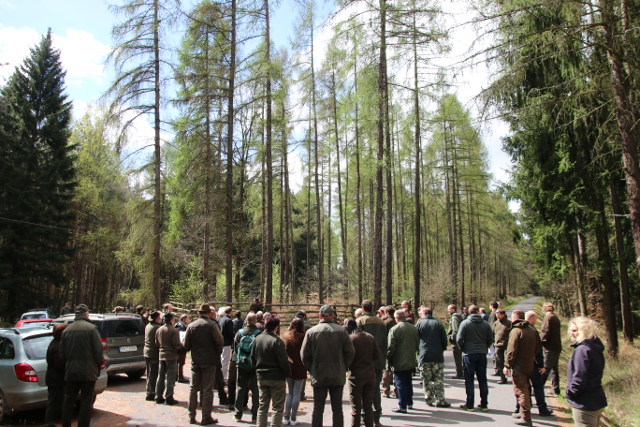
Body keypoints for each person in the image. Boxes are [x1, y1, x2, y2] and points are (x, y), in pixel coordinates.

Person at [301, 304, 355, 427]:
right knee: (337, 409)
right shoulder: (342, 331)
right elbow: (350, 352)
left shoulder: (311, 332)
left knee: (318, 408)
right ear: (332, 316)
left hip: (319, 374)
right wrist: (343, 367)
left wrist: (312, 369)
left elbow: (304, 355)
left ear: (319, 316)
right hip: (337, 374)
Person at [59, 304, 103, 427]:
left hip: (71, 371)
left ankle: (65, 424)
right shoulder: (92, 329)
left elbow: (62, 354)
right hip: (88, 372)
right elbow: (98, 352)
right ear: (86, 314)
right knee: (86, 402)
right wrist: (99, 364)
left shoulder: (66, 331)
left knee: (68, 401)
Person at [184, 303, 224, 425]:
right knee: (207, 389)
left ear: (198, 313)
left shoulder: (191, 326)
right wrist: (215, 352)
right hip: (209, 361)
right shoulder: (212, 325)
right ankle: (206, 417)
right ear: (209, 314)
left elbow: (186, 346)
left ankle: (191, 416)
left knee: (193, 388)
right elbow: (220, 341)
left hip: (196, 361)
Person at [566, 317, 607, 427]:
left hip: (584, 402)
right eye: (571, 330)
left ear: (584, 331)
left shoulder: (582, 350)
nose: (572, 333)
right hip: (596, 399)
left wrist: (570, 393)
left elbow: (580, 377)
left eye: (575, 330)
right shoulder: (594, 348)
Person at [512, 311, 553, 418]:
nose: (536, 321)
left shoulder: (519, 330)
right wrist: (541, 365)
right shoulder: (533, 331)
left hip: (521, 364)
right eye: (535, 319)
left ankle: (520, 408)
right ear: (531, 319)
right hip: (533, 363)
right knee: (537, 387)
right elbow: (538, 350)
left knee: (523, 388)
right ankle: (542, 408)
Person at [252, 315, 291, 427]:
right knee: (277, 407)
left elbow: (252, 358)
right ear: (276, 327)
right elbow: (283, 361)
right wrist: (286, 373)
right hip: (276, 377)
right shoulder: (277, 341)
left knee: (262, 406)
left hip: (261, 376)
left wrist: (257, 370)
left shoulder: (257, 339)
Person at [504, 309, 538, 426]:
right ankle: (522, 412)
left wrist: (507, 365)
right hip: (529, 364)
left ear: (515, 318)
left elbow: (511, 351)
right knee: (526, 388)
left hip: (519, 366)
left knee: (521, 391)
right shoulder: (532, 330)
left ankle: (526, 417)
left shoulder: (516, 331)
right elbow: (537, 349)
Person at [356, 300, 387, 427]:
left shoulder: (359, 321)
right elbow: (385, 342)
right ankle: (376, 416)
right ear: (372, 308)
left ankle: (364, 416)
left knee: (362, 390)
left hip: (362, 362)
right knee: (375, 390)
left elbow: (356, 342)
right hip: (378, 361)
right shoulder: (381, 322)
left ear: (363, 309)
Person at [457, 304, 493, 412]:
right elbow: (490, 339)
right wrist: (484, 347)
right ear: (478, 312)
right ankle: (484, 404)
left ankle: (470, 404)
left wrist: (463, 348)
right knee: (482, 380)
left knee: (469, 380)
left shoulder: (465, 323)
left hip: (469, 353)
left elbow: (459, 338)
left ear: (468, 311)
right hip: (481, 353)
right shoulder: (486, 324)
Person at [345, 318, 379, 427]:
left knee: (356, 408)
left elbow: (347, 357)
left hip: (356, 375)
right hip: (370, 374)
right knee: (368, 406)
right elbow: (376, 355)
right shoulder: (370, 337)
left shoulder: (351, 339)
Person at [415, 306, 450, 408]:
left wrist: (418, 350)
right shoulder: (438, 323)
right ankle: (440, 399)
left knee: (426, 379)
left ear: (424, 313)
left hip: (424, 355)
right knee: (438, 379)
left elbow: (416, 338)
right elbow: (444, 339)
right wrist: (441, 349)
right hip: (437, 355)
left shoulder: (419, 324)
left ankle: (429, 398)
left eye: (421, 313)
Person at [387, 309, 419, 413]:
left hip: (399, 359)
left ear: (397, 318)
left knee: (400, 383)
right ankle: (409, 403)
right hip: (410, 358)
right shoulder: (413, 328)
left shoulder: (395, 329)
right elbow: (417, 343)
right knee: (408, 382)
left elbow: (391, 346)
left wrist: (388, 357)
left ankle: (402, 405)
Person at [233, 312, 261, 423]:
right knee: (255, 389)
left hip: (242, 363)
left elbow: (235, 347)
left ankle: (238, 415)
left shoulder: (240, 333)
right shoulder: (259, 333)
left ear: (246, 321)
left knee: (240, 388)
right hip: (254, 365)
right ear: (256, 321)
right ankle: (254, 416)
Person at [155, 311, 183, 405]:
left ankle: (158, 396)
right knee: (170, 377)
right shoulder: (174, 330)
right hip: (171, 356)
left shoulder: (159, 329)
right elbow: (176, 345)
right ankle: (169, 397)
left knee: (160, 377)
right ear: (171, 319)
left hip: (161, 355)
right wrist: (181, 345)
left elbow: (157, 343)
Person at [283, 318, 307, 425]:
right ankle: (293, 418)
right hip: (300, 366)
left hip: (289, 366)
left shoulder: (286, 336)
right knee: (297, 393)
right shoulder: (303, 337)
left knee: (290, 393)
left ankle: (286, 416)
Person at [44, 324, 68, 427]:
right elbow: (59, 364)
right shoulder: (57, 346)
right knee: (54, 402)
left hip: (54, 378)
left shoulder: (54, 343)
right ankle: (49, 423)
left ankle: (51, 422)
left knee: (55, 402)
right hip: (56, 379)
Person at [541, 302, 562, 395]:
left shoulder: (548, 317)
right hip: (556, 346)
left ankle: (539, 387)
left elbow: (546, 331)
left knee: (546, 368)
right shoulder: (555, 317)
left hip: (550, 347)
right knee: (554, 369)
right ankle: (556, 390)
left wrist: (541, 341)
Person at [144, 310, 162, 401]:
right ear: (156, 319)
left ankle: (149, 391)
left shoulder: (148, 325)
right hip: (153, 353)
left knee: (149, 373)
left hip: (147, 352)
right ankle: (150, 393)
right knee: (153, 374)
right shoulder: (157, 328)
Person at [491, 308, 512, 384]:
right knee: (499, 362)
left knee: (508, 361)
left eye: (499, 314)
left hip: (506, 345)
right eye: (496, 314)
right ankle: (502, 378)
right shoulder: (495, 323)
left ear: (503, 315)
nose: (497, 316)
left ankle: (513, 376)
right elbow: (492, 334)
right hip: (497, 345)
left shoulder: (509, 323)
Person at [381, 306, 397, 399]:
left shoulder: (385, 323)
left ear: (387, 313)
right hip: (397, 348)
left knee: (387, 369)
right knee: (396, 370)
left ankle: (386, 391)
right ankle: (396, 391)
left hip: (387, 347)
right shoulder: (397, 321)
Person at [447, 304, 465, 379]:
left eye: (449, 309)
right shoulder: (458, 316)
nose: (448, 311)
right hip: (459, 341)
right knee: (459, 358)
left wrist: (451, 338)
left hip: (456, 342)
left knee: (457, 358)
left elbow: (455, 330)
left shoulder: (454, 318)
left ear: (453, 309)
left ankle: (460, 373)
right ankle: (461, 372)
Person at [219, 306, 234, 383]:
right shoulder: (228, 320)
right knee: (225, 361)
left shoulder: (221, 319)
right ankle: (224, 378)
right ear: (230, 312)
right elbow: (230, 332)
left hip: (222, 342)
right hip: (227, 342)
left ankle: (221, 376)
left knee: (222, 360)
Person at [175, 313, 190, 383]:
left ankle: (175, 375)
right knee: (181, 362)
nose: (187, 320)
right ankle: (180, 376)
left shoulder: (176, 325)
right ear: (183, 319)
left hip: (176, 346)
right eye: (187, 319)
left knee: (177, 362)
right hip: (181, 347)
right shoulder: (182, 326)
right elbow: (183, 337)